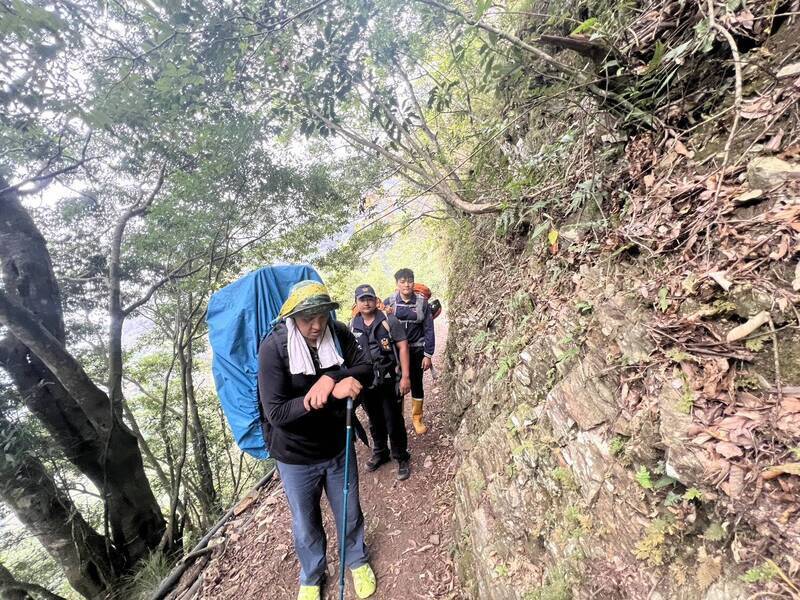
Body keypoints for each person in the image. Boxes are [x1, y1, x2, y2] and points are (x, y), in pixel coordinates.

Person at [257, 280, 377, 600]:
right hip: (295, 457)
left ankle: (356, 558)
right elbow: (276, 413)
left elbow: (366, 367)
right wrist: (321, 395)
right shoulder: (274, 348)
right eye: (308, 318)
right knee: (305, 523)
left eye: (322, 316)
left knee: (349, 509)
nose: (316, 326)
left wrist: (332, 377)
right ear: (292, 317)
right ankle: (312, 574)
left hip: (337, 445)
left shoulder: (336, 333)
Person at [350, 284, 412, 481]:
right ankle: (381, 452)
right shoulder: (352, 326)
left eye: (370, 298)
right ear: (357, 303)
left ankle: (401, 456)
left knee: (393, 419)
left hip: (388, 380)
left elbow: (403, 347)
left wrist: (405, 377)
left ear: (376, 300)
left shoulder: (388, 320)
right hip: (366, 384)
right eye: (362, 299)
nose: (366, 302)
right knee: (375, 421)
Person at [384, 268, 435, 435]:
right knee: (397, 384)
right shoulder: (389, 302)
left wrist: (428, 354)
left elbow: (428, 328)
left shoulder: (422, 302)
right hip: (396, 352)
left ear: (413, 282)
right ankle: (398, 420)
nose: (406, 284)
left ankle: (417, 418)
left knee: (417, 383)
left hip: (417, 350)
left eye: (409, 280)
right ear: (397, 284)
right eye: (402, 281)